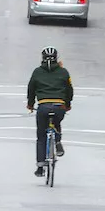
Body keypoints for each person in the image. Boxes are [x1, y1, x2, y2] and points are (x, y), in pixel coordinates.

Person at [26, 46, 73, 178]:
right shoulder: (63, 72)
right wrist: (67, 104)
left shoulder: (37, 72)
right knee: (56, 122)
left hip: (43, 106)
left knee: (41, 136)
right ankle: (57, 141)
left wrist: (30, 104)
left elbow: (31, 89)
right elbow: (69, 90)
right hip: (59, 106)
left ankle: (40, 167)